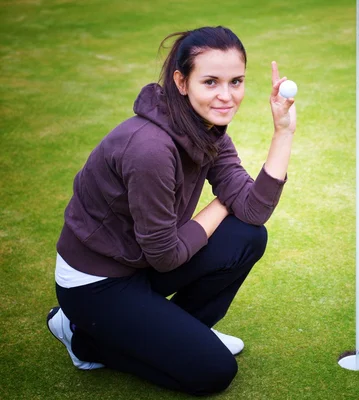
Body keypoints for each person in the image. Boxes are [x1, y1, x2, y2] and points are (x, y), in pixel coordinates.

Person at [46, 26, 296, 396]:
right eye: (210, 82)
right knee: (213, 372)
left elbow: (254, 211)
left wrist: (283, 132)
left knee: (247, 235)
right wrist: (221, 202)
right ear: (181, 82)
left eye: (236, 81)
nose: (226, 96)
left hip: (140, 262)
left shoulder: (209, 129)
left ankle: (185, 331)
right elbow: (166, 257)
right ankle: (82, 338)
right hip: (97, 284)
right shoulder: (150, 148)